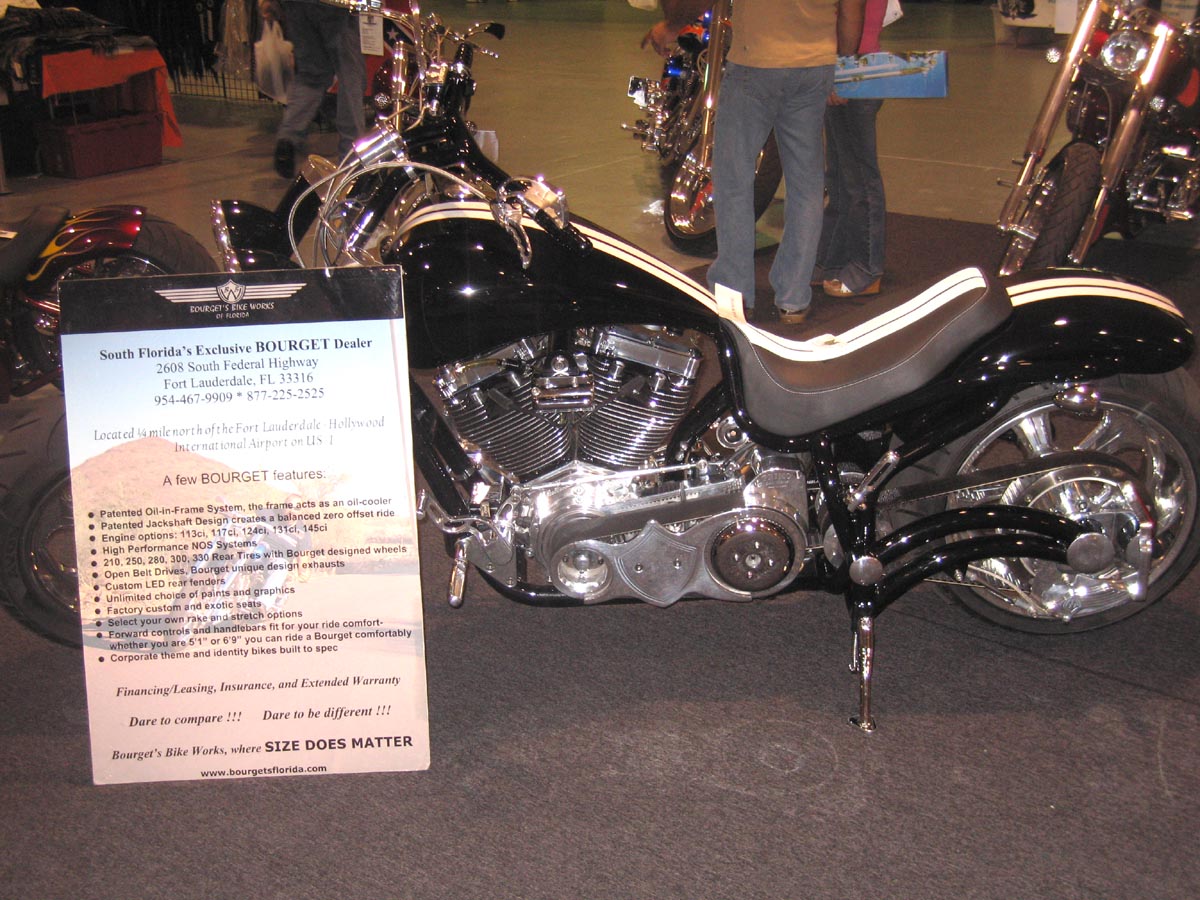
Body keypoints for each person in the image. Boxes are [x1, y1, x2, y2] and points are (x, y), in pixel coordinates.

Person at [645, 0, 866, 324]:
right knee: (806, 184)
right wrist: (845, 66)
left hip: (756, 63)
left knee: (733, 180)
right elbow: (851, 9)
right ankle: (794, 298)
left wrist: (673, 26)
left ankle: (733, 292)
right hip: (815, 65)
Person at [813, 0, 888, 298]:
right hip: (848, 66)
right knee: (841, 178)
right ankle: (832, 261)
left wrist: (841, 70)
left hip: (855, 69)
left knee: (860, 180)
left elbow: (851, 16)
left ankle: (866, 268)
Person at [268, 0, 367, 178]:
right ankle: (351, 157)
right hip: (338, 7)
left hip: (297, 5)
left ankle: (288, 137)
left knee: (312, 75)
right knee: (350, 76)